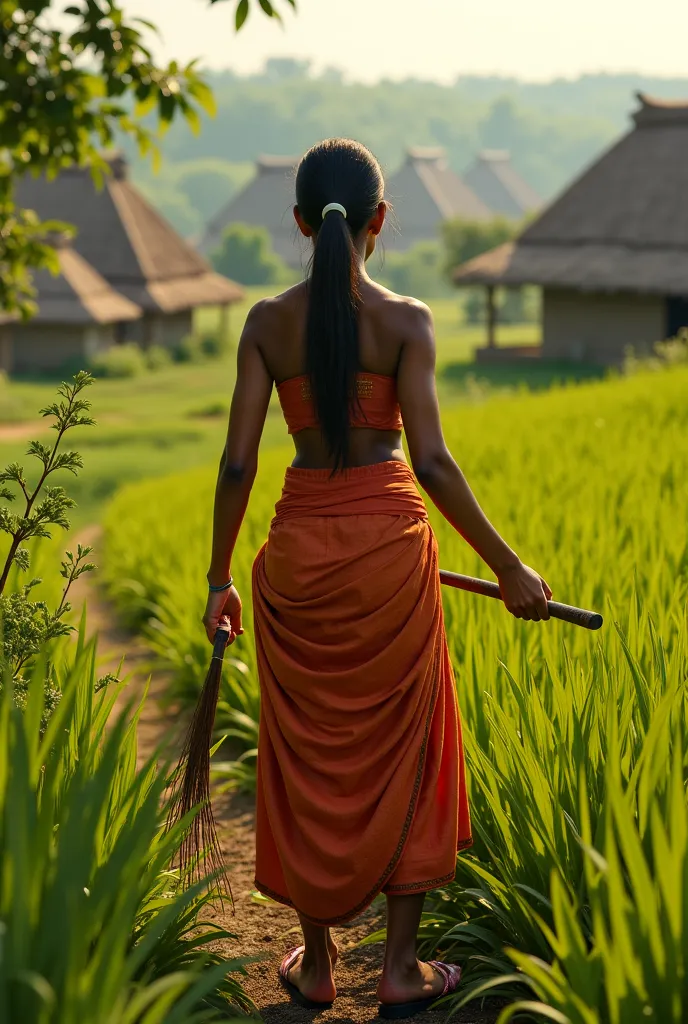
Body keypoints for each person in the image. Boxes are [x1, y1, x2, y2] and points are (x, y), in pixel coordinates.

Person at [202, 138, 551, 1019]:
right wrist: (509, 568)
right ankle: (399, 967)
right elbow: (430, 459)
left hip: (298, 556)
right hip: (392, 557)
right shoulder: (408, 322)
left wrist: (219, 579)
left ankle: (316, 963)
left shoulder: (264, 326)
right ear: (380, 222)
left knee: (309, 752)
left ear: (295, 224)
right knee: (409, 747)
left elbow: (239, 465)